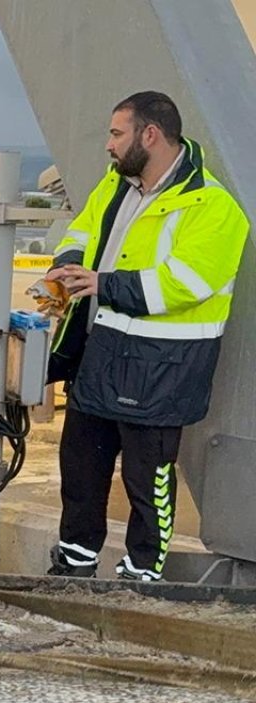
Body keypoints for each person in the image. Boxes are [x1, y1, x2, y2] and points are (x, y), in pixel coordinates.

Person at [44, 91, 249, 581]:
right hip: (100, 356)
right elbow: (81, 232)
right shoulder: (116, 186)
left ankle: (141, 575)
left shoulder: (213, 207)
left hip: (161, 369)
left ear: (150, 135)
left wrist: (103, 284)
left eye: (117, 133)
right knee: (81, 467)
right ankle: (74, 564)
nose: (109, 145)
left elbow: (184, 284)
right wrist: (65, 268)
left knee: (147, 478)